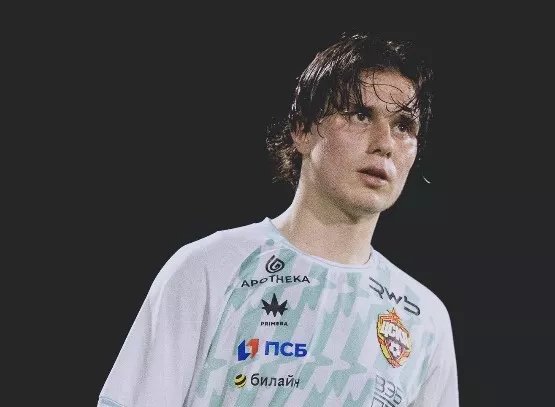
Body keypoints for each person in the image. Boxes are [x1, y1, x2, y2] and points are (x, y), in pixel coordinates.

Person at [98, 32, 459, 406]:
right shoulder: (210, 268)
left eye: (403, 126)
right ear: (302, 130)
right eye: (360, 115)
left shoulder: (424, 318)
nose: (384, 143)